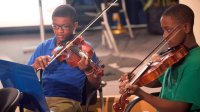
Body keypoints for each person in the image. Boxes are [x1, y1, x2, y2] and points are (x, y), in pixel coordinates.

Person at [118, 4, 200, 112]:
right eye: (163, 30)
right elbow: (158, 82)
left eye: (169, 30)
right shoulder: (176, 55)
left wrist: (140, 94)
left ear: (186, 27)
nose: (164, 35)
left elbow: (179, 109)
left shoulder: (196, 63)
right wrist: (135, 79)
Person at [28, 4, 102, 112]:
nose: (59, 31)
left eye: (65, 27)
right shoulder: (43, 46)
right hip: (41, 99)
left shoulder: (84, 50)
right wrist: (35, 66)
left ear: (75, 25)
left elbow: (96, 84)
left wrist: (88, 70)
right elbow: (25, 75)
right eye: (55, 26)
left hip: (67, 100)